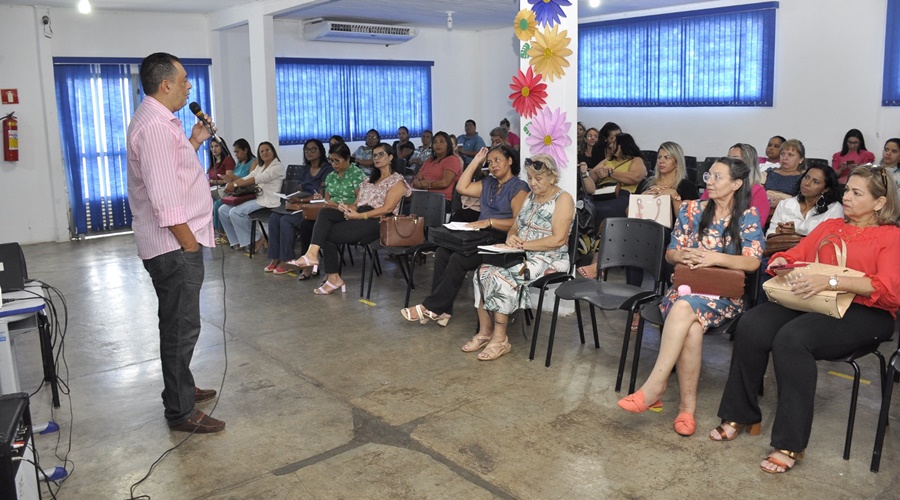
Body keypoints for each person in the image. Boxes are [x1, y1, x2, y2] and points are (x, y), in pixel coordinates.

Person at [712, 166, 900, 474]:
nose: (847, 197)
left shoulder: (891, 236)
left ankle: (790, 443)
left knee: (792, 338)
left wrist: (832, 282)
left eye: (857, 193)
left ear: (880, 202)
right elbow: (795, 253)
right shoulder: (831, 226)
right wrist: (783, 261)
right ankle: (742, 414)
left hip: (867, 312)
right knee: (753, 324)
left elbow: (890, 290)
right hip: (819, 301)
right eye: (847, 190)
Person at [618, 157, 764, 437]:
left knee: (685, 309)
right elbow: (670, 252)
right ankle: (686, 409)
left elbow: (752, 262)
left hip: (721, 295)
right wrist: (682, 255)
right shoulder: (690, 209)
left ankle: (655, 387)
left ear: (736, 184)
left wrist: (713, 258)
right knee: (692, 328)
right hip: (685, 289)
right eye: (709, 175)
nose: (709, 180)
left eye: (718, 177)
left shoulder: (747, 216)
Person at [126, 52, 224, 433]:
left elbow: (175, 172)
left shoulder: (161, 122)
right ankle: (180, 412)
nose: (188, 86)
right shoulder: (154, 128)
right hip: (173, 245)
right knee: (180, 327)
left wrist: (195, 142)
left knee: (181, 324)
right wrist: (190, 245)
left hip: (176, 242)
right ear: (165, 84)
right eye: (183, 80)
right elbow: (165, 199)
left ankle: (182, 387)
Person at [401, 145, 529, 326]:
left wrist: (489, 222)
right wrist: (476, 161)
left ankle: (432, 307)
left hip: (502, 240)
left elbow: (517, 222)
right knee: (443, 253)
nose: (493, 165)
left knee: (458, 259)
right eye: (490, 162)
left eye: (498, 160)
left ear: (510, 161)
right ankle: (444, 310)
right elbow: (462, 187)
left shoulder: (519, 187)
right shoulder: (489, 183)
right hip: (480, 236)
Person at [464, 155, 574, 360]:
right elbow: (514, 227)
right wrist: (512, 238)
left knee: (502, 276)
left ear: (552, 177)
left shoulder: (563, 199)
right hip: (522, 255)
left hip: (549, 260)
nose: (533, 183)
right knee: (482, 271)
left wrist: (523, 244)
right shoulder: (530, 197)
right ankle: (485, 332)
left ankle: (500, 339)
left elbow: (558, 240)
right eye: (530, 178)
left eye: (538, 178)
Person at [286, 143, 410, 294]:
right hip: (360, 215)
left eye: (380, 154)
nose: (376, 158)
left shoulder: (397, 181)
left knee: (326, 234)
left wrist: (359, 215)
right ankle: (313, 255)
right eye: (374, 155)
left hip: (379, 221)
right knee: (325, 214)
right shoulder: (370, 179)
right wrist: (342, 207)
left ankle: (332, 277)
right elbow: (357, 204)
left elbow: (387, 209)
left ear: (390, 157)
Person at [264, 139, 333, 274]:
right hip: (299, 202)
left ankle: (287, 260)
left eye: (313, 149)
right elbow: (300, 186)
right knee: (274, 218)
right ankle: (275, 258)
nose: (310, 152)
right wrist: (297, 195)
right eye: (307, 150)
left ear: (321, 151)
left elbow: (322, 194)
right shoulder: (306, 168)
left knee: (286, 221)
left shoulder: (327, 169)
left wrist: (303, 200)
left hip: (313, 207)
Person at [219, 141, 286, 252]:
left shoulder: (277, 166)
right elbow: (248, 177)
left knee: (235, 212)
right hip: (257, 198)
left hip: (268, 200)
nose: (264, 153)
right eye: (261, 151)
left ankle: (256, 239)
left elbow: (256, 179)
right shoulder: (261, 166)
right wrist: (230, 184)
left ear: (273, 151)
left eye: (267, 150)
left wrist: (235, 184)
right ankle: (237, 241)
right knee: (223, 210)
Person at [586, 132, 648, 226]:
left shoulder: (636, 160)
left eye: (614, 143)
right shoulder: (608, 160)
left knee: (603, 211)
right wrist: (599, 172)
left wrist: (610, 173)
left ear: (622, 145)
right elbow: (591, 176)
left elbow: (636, 177)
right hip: (600, 194)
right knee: (586, 209)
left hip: (620, 196)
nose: (610, 146)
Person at [766, 164, 843, 237]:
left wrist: (796, 234)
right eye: (806, 177)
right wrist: (778, 232)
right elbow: (769, 235)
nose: (807, 183)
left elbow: (831, 241)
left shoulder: (834, 209)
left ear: (826, 189)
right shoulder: (785, 204)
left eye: (815, 181)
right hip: (782, 250)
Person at [703, 143, 770, 224]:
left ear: (748, 163)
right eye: (728, 157)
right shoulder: (714, 185)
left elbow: (758, 224)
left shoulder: (757, 191)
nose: (729, 161)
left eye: (735, 158)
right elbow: (701, 211)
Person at [411, 131, 462, 211]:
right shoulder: (429, 161)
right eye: (435, 142)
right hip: (423, 196)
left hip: (440, 199)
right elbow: (417, 177)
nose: (438, 144)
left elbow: (444, 183)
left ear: (448, 144)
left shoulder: (452, 160)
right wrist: (417, 182)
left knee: (408, 209)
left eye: (441, 141)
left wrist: (426, 184)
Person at [206, 140, 235, 242]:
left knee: (217, 205)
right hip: (212, 191)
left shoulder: (228, 160)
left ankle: (222, 233)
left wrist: (213, 181)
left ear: (222, 147)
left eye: (216, 146)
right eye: (212, 147)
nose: (214, 149)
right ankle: (214, 232)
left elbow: (228, 179)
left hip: (224, 191)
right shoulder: (213, 162)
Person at [764, 138, 807, 208]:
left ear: (801, 159)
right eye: (782, 154)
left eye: (790, 155)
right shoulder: (769, 173)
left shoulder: (804, 178)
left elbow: (805, 201)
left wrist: (782, 203)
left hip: (788, 212)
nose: (785, 158)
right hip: (764, 207)